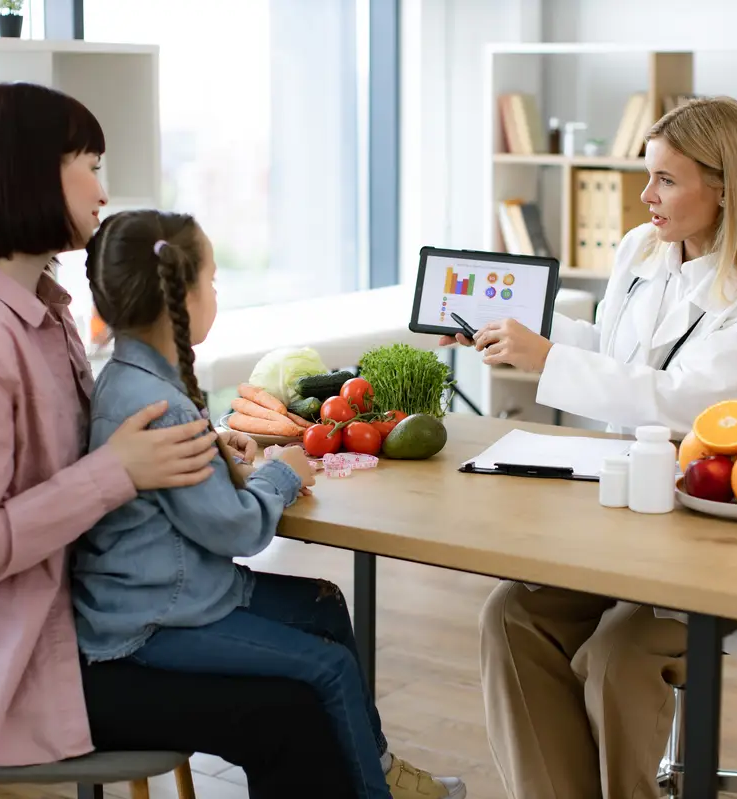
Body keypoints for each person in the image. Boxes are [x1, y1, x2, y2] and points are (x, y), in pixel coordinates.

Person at [0, 82, 358, 798]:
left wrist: (184, 459)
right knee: (288, 710)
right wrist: (119, 470)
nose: (104, 187)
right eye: (91, 163)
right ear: (30, 171)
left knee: (312, 639)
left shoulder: (42, 319)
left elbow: (86, 463)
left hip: (70, 617)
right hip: (18, 659)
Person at [441, 96, 737, 799]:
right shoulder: (641, 249)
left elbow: (691, 401)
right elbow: (615, 347)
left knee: (617, 658)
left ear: (727, 186)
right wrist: (517, 337)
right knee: (510, 615)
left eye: (667, 181)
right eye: (647, 176)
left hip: (712, 531)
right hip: (622, 513)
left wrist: (549, 357)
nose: (645, 196)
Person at [70, 207, 468, 799]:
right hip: (158, 617)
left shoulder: (128, 378)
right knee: (327, 667)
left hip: (169, 593)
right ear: (182, 294)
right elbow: (237, 532)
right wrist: (280, 473)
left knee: (325, 603)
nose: (216, 292)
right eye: (211, 279)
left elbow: (185, 503)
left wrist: (218, 455)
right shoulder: (163, 406)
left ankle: (378, 774)